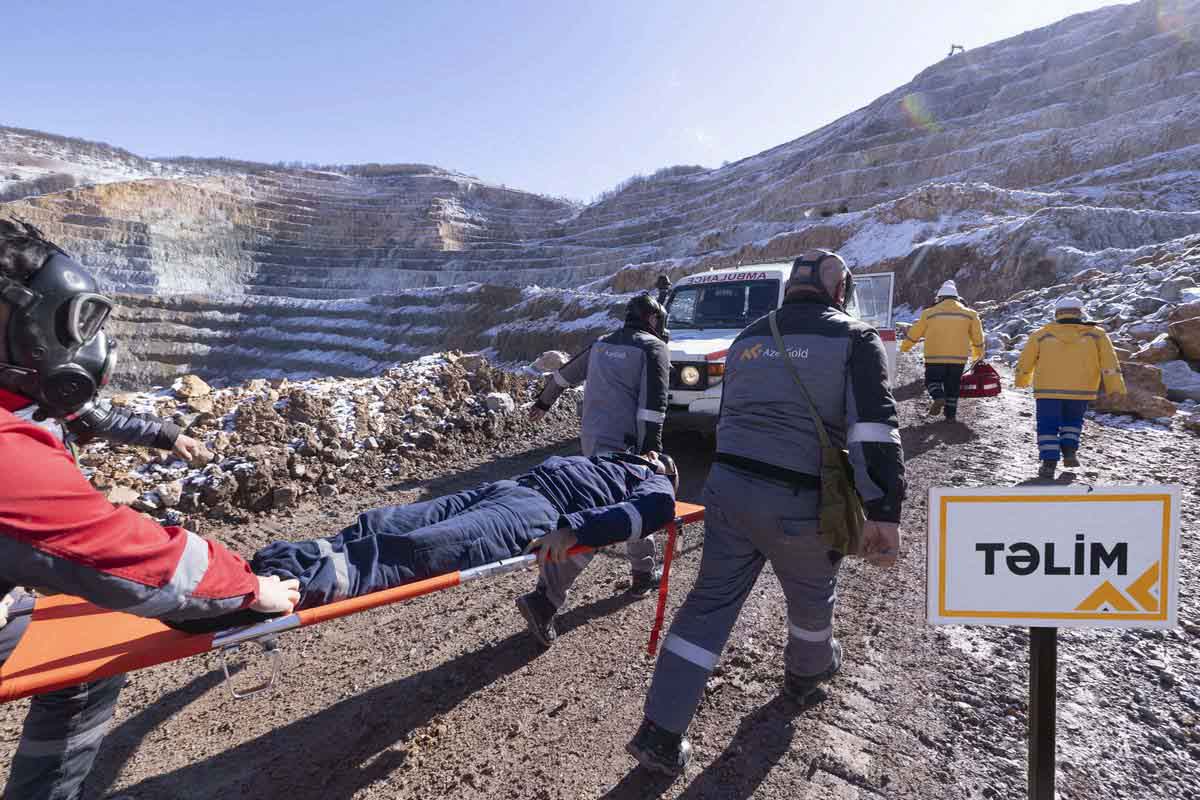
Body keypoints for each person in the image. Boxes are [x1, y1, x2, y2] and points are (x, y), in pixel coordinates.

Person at [0, 219, 300, 800]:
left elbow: (93, 416)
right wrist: (249, 588)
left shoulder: (20, 398)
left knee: (81, 673)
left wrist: (168, 435)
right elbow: (129, 557)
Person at [625, 249, 905, 776]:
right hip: (800, 501)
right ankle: (806, 676)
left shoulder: (750, 337)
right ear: (840, 291)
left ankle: (660, 732)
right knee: (811, 597)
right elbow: (872, 430)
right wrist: (883, 508)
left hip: (729, 491)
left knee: (707, 605)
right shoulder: (855, 338)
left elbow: (729, 416)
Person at [251, 451, 678, 615]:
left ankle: (301, 587)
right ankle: (282, 562)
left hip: (537, 511)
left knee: (422, 549)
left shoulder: (652, 481)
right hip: (511, 488)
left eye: (660, 457)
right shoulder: (610, 459)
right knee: (385, 521)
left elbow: (656, 511)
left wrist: (573, 530)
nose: (652, 452)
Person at [522, 293, 671, 644]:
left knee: (633, 506)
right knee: (598, 522)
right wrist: (651, 452)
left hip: (592, 442)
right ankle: (544, 600)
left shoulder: (602, 343)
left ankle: (643, 572)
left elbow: (562, 377)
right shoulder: (654, 348)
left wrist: (543, 403)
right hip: (627, 448)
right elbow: (654, 408)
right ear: (653, 320)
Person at [1014, 295, 1126, 479]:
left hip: (1047, 390)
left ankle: (1049, 463)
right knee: (1073, 421)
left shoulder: (1041, 334)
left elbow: (1026, 360)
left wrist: (1022, 380)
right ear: (1080, 313)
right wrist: (1115, 386)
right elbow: (1109, 361)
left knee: (1047, 425)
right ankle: (1069, 452)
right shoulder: (1096, 334)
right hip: (1082, 390)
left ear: (1057, 314)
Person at [899, 280, 985, 421]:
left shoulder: (929, 313)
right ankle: (950, 416)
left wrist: (905, 347)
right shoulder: (971, 314)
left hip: (934, 357)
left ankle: (938, 397)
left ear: (940, 298)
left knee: (932, 380)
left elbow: (915, 332)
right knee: (953, 386)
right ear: (957, 297)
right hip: (958, 359)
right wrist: (978, 355)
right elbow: (978, 337)